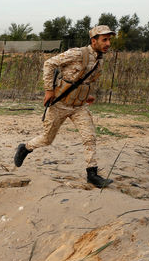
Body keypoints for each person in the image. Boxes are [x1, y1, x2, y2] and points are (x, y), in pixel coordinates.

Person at [13, 25, 116, 188]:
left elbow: (85, 80)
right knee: (47, 139)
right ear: (93, 40)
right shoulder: (77, 53)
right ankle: (25, 148)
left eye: (109, 39)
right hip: (60, 104)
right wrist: (48, 90)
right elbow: (49, 64)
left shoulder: (99, 61)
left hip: (79, 107)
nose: (108, 43)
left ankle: (92, 174)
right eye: (105, 40)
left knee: (89, 137)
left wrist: (86, 94)